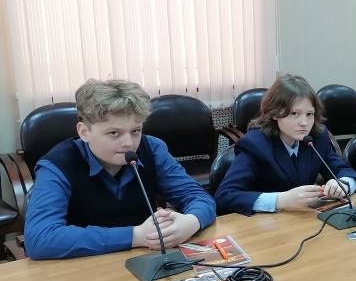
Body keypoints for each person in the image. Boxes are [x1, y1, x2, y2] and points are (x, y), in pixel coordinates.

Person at [24, 79, 216, 260]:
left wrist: (190, 222)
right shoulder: (56, 165)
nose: (129, 143)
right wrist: (135, 235)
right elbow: (40, 238)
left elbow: (199, 198)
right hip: (82, 266)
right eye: (114, 133)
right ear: (84, 132)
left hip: (145, 258)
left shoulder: (152, 149)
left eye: (136, 131)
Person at [214, 74, 356, 215]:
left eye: (309, 114)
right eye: (294, 114)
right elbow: (225, 196)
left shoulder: (317, 137)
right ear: (275, 114)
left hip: (304, 218)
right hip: (265, 223)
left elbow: (345, 171)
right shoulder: (255, 145)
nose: (304, 123)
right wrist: (280, 200)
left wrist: (343, 184)